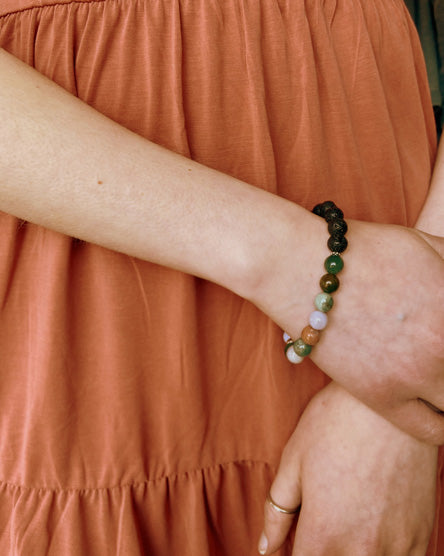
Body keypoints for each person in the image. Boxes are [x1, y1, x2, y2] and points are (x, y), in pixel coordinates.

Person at [0, 1, 443, 554]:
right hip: (79, 262)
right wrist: (295, 262)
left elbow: (404, 334)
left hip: (386, 247)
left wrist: (411, 390)